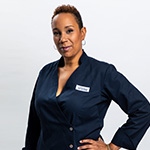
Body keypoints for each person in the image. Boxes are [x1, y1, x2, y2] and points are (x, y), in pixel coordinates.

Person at [22, 4, 150, 150]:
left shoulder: (102, 73)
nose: (63, 39)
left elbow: (143, 110)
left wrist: (111, 147)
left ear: (82, 33)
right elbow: (34, 125)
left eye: (69, 31)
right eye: (56, 33)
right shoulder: (45, 72)